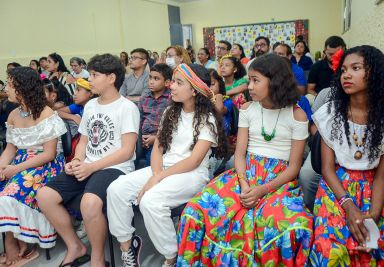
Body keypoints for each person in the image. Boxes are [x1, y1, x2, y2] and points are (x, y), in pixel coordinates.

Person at [177, 54, 313, 266]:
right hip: (244, 173)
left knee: (291, 225)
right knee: (196, 209)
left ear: (275, 81)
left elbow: (294, 167)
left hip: (279, 180)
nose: (249, 86)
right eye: (249, 79)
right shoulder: (248, 109)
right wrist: (244, 183)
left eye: (255, 80)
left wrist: (261, 190)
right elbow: (239, 154)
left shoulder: (297, 115)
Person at [107, 63, 227, 267]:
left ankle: (172, 255)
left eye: (179, 83)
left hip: (192, 174)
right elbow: (158, 150)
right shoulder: (170, 112)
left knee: (150, 201)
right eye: (172, 81)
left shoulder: (207, 119)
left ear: (194, 90)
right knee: (116, 188)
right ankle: (128, 246)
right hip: (162, 169)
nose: (171, 86)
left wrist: (157, 178)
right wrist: (156, 173)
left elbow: (194, 160)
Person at [37, 54, 140, 267]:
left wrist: (91, 166)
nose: (88, 79)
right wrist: (76, 159)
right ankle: (76, 246)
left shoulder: (126, 107)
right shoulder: (91, 105)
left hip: (115, 168)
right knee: (45, 195)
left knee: (90, 202)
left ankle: (98, 259)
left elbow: (127, 151)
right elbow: (83, 140)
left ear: (111, 78)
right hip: (88, 164)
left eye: (94, 75)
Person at [309, 45, 384, 266]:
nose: (346, 75)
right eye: (343, 70)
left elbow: (381, 175)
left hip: (373, 186)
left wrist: (373, 216)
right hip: (336, 187)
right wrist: (349, 206)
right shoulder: (331, 114)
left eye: (355, 68)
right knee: (332, 243)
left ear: (375, 73)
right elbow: (328, 170)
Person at [0, 67, 66, 266]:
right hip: (21, 161)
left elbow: (49, 153)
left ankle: (18, 244)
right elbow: (11, 149)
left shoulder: (46, 113)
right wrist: (2, 166)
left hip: (46, 165)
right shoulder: (13, 114)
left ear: (22, 89)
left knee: (8, 195)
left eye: (10, 86)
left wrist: (14, 170)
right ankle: (20, 241)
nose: (6, 90)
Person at [138, 63, 172, 166]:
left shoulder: (171, 99)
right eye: (150, 78)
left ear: (166, 82)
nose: (151, 82)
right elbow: (139, 119)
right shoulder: (144, 97)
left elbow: (171, 125)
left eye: (156, 79)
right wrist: (140, 137)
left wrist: (155, 138)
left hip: (159, 139)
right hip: (142, 138)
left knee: (151, 161)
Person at [273, 43, 313, 121]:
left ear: (289, 56)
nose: (277, 57)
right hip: (273, 97)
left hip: (291, 98)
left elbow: (301, 91)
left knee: (303, 100)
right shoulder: (268, 68)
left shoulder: (297, 70)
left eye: (280, 54)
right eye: (275, 54)